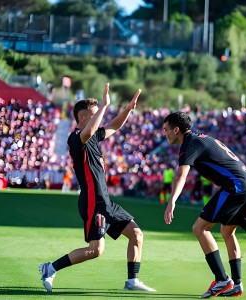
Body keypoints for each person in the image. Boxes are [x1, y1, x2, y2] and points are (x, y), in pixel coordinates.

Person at [39, 83, 155, 293]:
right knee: (95, 250)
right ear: (82, 118)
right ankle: (50, 268)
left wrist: (128, 109)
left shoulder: (93, 137)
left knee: (136, 234)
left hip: (106, 202)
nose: (99, 118)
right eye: (94, 115)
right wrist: (104, 105)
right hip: (93, 202)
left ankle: (132, 281)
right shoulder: (76, 138)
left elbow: (113, 126)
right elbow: (91, 129)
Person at [162, 111, 246, 298]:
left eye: (166, 129)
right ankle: (237, 284)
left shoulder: (189, 144)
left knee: (200, 228)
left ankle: (222, 279)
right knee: (227, 232)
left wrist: (172, 201)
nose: (164, 134)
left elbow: (181, 175)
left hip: (236, 185)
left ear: (176, 129)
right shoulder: (203, 138)